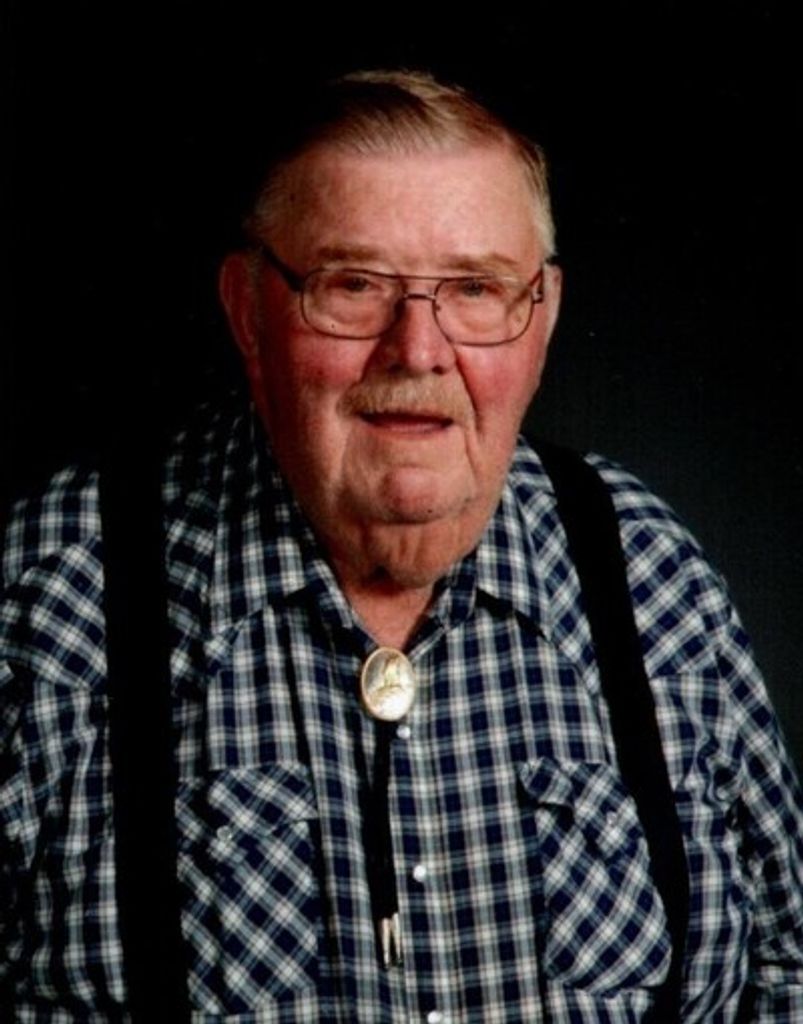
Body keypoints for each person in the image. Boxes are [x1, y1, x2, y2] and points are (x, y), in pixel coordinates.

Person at [1, 69, 802, 1023]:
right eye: (353, 285)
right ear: (247, 310)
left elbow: (787, 971)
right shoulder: (55, 598)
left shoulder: (646, 572)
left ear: (542, 314)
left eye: (475, 289)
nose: (417, 349)